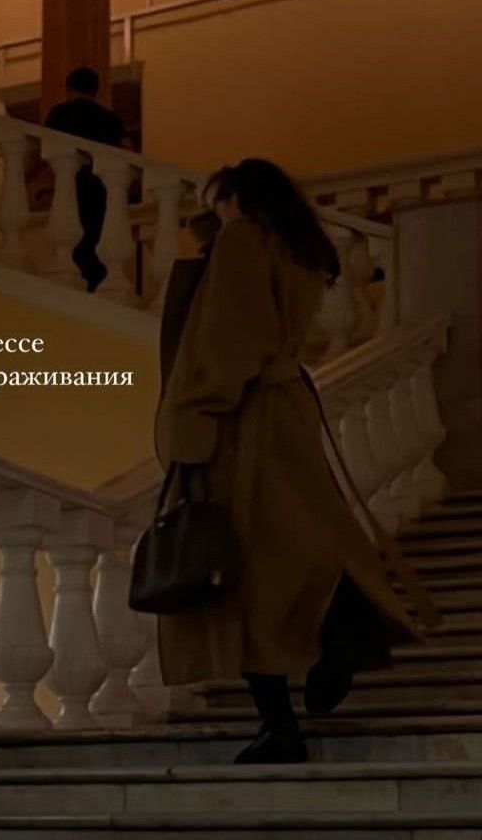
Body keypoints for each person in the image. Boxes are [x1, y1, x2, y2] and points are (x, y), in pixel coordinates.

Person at [154, 158, 427, 764]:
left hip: (243, 423)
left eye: (217, 201)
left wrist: (195, 415)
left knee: (245, 575)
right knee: (307, 546)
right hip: (288, 415)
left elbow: (228, 339)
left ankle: (283, 718)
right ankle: (334, 644)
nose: (213, 214)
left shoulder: (243, 241)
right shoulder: (299, 249)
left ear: (238, 200)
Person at [45, 67, 128, 292]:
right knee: (98, 240)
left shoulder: (60, 114)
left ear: (70, 88)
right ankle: (96, 284)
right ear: (96, 90)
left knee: (73, 243)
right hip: (102, 190)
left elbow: (47, 149)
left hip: (72, 187)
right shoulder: (111, 120)